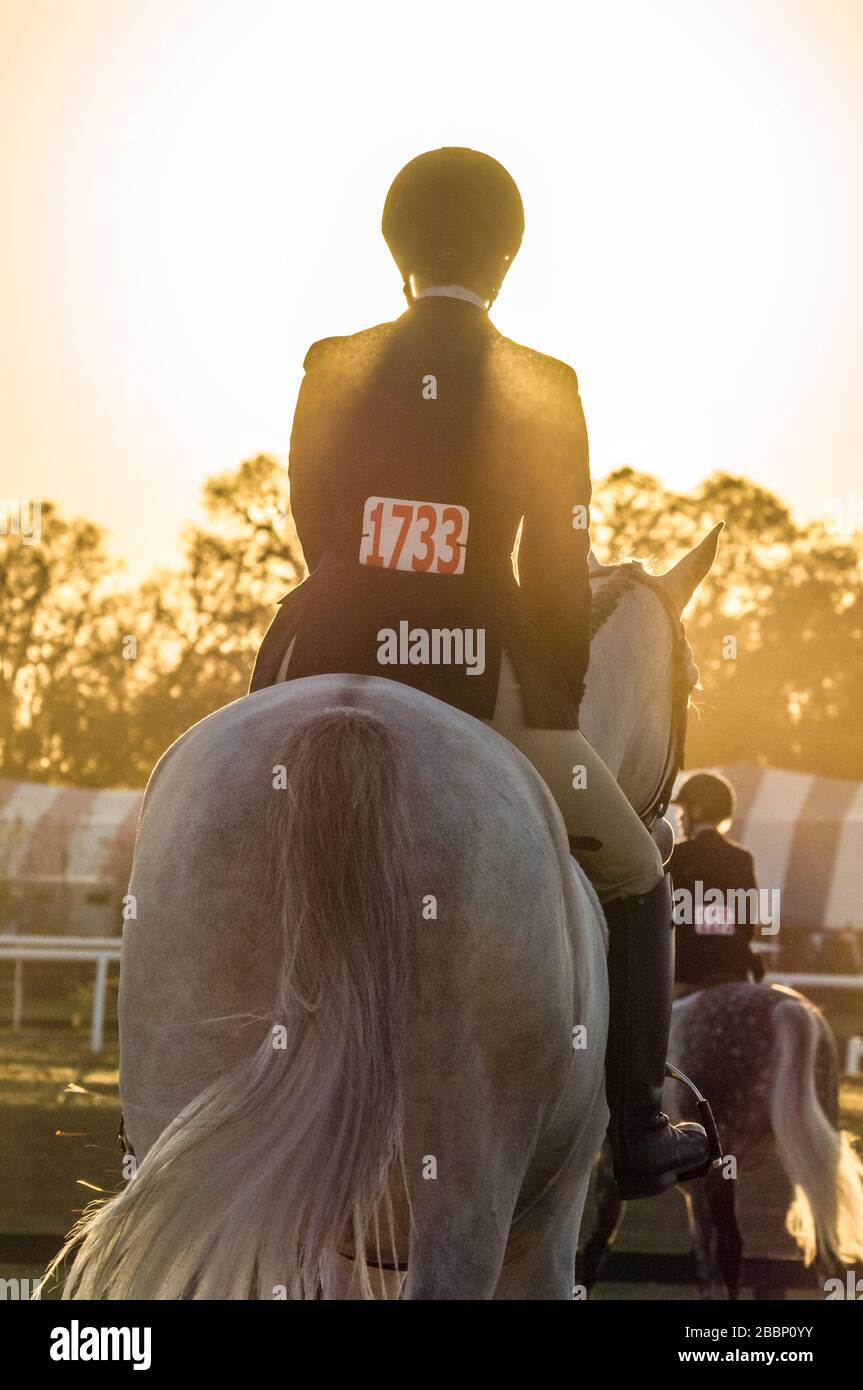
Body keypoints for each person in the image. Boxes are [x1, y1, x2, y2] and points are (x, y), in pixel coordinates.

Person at [250, 147, 711, 1198]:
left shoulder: (331, 364)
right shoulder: (543, 384)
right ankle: (637, 1124)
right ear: (507, 256)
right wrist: (548, 691)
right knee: (638, 871)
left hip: (316, 650)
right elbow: (555, 562)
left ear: (395, 251)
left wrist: (363, 588)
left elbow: (315, 526)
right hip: (480, 675)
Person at [670, 772, 766, 992]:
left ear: (697, 811)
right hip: (733, 970)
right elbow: (746, 926)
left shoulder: (675, 855)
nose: (679, 817)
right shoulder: (742, 858)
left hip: (686, 973)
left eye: (683, 810)